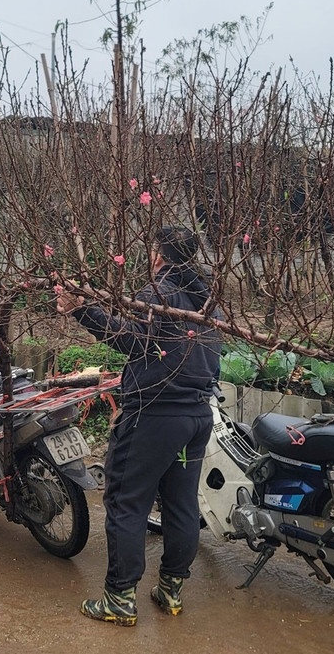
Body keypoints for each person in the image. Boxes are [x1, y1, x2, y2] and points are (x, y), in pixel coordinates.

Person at [55, 226, 220, 626]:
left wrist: (81, 309)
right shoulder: (209, 300)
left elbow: (132, 340)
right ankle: (171, 590)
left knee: (126, 502)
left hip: (154, 417)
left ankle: (120, 599)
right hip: (196, 416)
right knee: (181, 503)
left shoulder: (158, 293)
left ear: (159, 255)